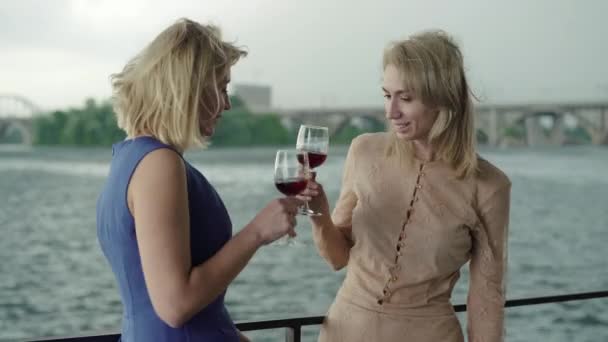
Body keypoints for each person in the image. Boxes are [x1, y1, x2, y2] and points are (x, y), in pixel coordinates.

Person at [96, 18, 301, 342]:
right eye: (221, 87)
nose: (228, 103)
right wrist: (257, 232)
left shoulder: (128, 158)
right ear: (188, 88)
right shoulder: (159, 165)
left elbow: (198, 313)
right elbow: (176, 305)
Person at [300, 30, 511, 342]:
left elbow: (487, 298)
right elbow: (337, 258)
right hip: (345, 331)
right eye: (387, 95)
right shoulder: (364, 151)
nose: (390, 112)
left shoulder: (490, 186)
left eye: (406, 98)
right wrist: (318, 214)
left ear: (443, 97)